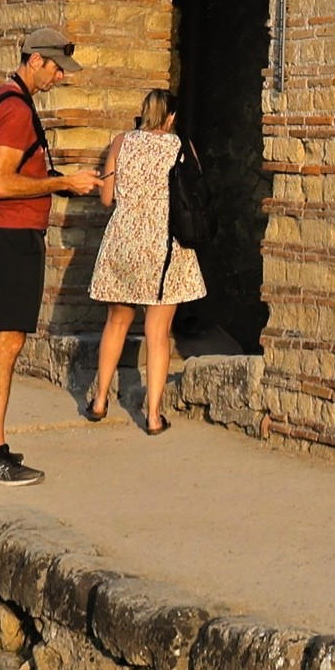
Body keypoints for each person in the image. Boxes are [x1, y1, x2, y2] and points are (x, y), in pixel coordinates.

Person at [0, 37, 95, 483]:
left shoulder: (4, 99)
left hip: (0, 235)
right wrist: (62, 186)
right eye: (56, 68)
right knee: (6, 343)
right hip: (12, 235)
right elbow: (2, 183)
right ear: (35, 60)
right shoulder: (16, 110)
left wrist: (60, 179)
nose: (60, 76)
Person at [86, 88, 203, 436]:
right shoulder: (180, 147)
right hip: (165, 244)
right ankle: (152, 416)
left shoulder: (121, 142)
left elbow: (106, 198)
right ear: (170, 118)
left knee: (116, 322)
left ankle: (99, 400)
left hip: (123, 241)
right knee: (158, 332)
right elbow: (196, 194)